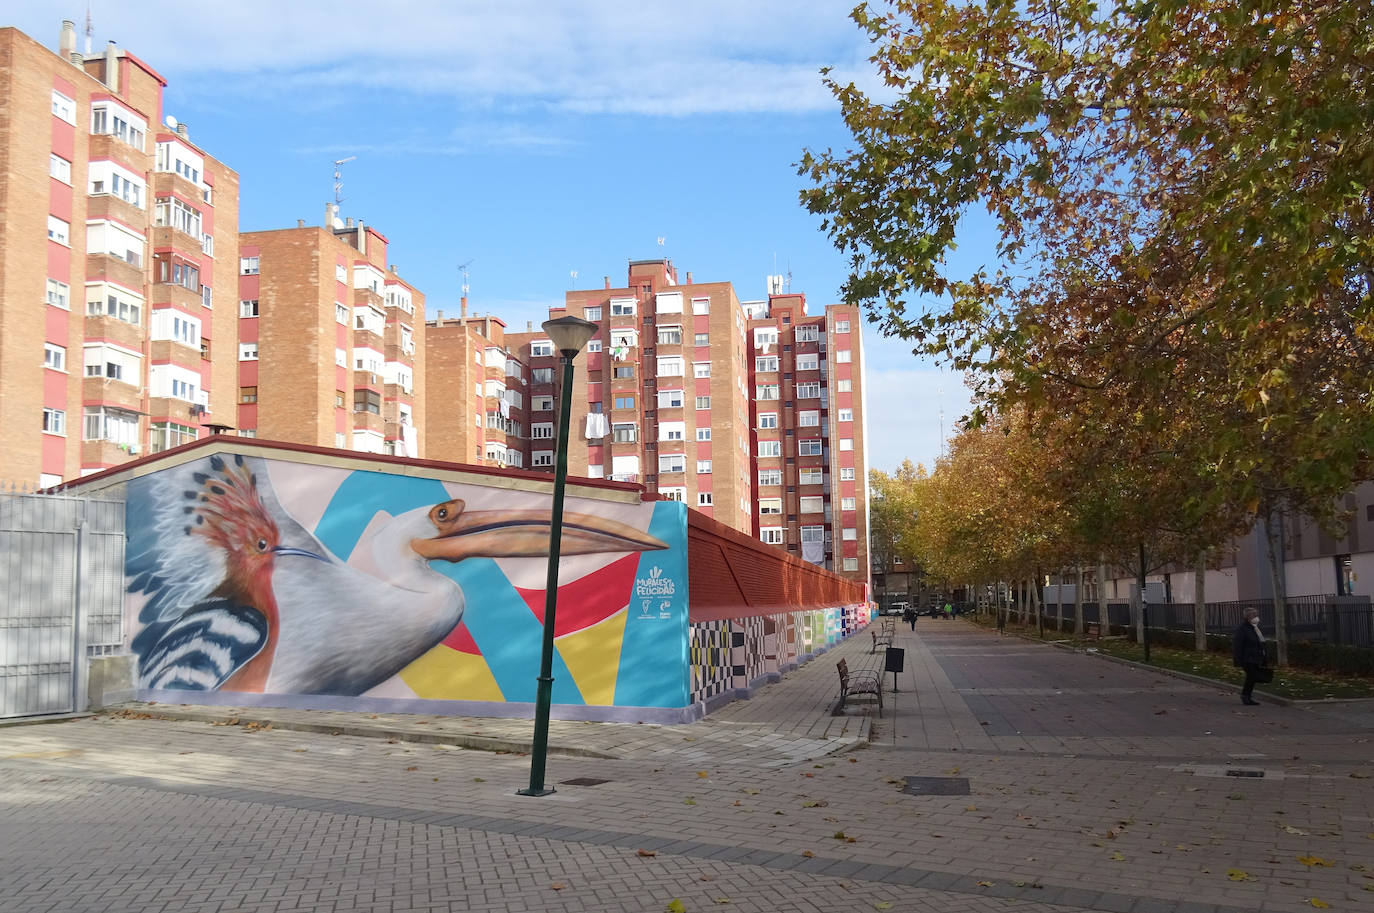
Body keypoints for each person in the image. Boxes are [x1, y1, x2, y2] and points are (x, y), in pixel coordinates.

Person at [1232, 607, 1267, 706]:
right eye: (1254, 615)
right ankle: (1245, 696)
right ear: (1248, 617)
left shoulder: (1255, 628)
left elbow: (1260, 642)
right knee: (1252, 676)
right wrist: (1238, 660)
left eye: (1256, 615)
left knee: (1252, 677)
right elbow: (1238, 645)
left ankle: (1247, 696)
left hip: (1256, 657)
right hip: (1247, 658)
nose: (1256, 617)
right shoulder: (1242, 629)